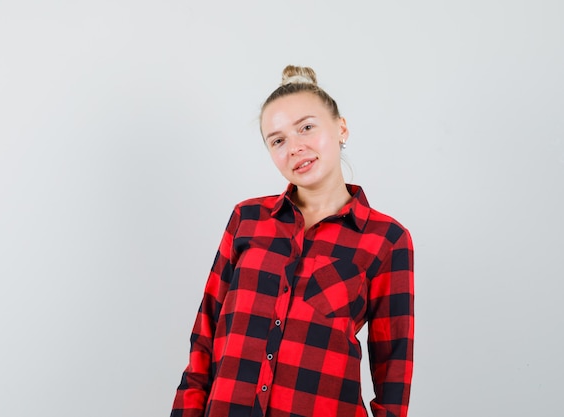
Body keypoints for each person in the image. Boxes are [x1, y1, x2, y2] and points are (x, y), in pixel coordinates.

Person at [170, 65, 414, 417]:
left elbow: (394, 369)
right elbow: (204, 338)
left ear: (341, 128)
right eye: (278, 140)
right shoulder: (246, 220)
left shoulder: (387, 240)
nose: (295, 147)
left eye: (307, 128)